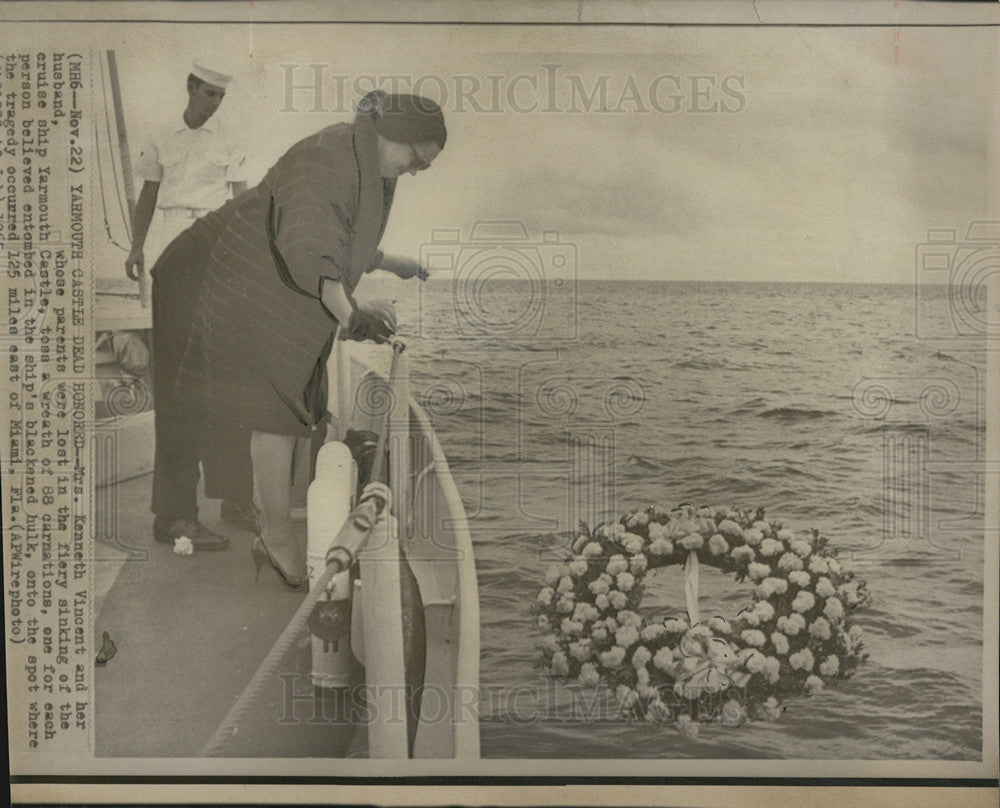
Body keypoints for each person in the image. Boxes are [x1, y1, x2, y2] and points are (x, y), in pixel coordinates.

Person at [154, 91, 442, 577]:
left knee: (244, 394)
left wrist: (392, 264)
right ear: (395, 134)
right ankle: (177, 515)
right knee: (196, 393)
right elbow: (311, 242)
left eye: (425, 168)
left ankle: (239, 503)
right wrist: (351, 316)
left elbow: (337, 233)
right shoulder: (331, 153)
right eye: (416, 159)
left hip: (243, 270)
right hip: (195, 267)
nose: (415, 171)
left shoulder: (361, 156)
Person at [134, 60, 259, 548]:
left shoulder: (230, 139)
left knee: (232, 376)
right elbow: (147, 197)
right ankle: (174, 514)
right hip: (172, 247)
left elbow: (244, 202)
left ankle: (235, 498)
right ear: (190, 87)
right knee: (178, 380)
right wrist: (134, 247)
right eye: (208, 95)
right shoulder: (161, 136)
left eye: (221, 98)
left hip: (218, 248)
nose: (214, 105)